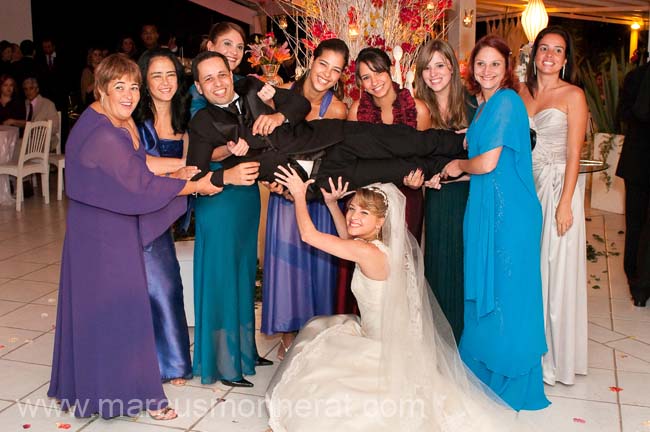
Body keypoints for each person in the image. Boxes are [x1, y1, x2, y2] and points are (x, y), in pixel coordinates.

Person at [266, 168, 536, 431]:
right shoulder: (382, 248)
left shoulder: (367, 252)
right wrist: (332, 203)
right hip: (393, 339)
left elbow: (309, 236)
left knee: (321, 357)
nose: (353, 216)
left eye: (364, 212)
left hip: (380, 347)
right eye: (352, 208)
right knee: (322, 335)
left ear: (381, 221)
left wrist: (299, 195)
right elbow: (348, 238)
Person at [47, 53, 221, 420]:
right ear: (101, 89)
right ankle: (144, 396)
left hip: (98, 227)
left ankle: (98, 387)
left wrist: (178, 168)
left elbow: (137, 164)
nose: (129, 94)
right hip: (105, 234)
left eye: (133, 86)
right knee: (125, 309)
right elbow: (139, 185)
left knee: (102, 312)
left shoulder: (106, 118)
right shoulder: (104, 134)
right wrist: (192, 185)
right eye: (119, 87)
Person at [441, 35, 549, 411]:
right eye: (481, 63)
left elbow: (485, 164)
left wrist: (458, 165)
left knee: (508, 293)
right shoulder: (484, 106)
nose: (487, 71)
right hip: (487, 207)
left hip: (511, 215)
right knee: (489, 290)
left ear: (507, 70)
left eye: (495, 64)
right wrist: (452, 174)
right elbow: (488, 168)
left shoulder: (505, 102)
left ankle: (510, 376)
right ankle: (485, 371)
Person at [187, 52, 465, 196]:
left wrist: (278, 116)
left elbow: (299, 104)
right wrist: (228, 174)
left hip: (332, 138)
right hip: (316, 180)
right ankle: (454, 168)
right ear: (199, 86)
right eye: (209, 79)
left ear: (230, 73)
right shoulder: (202, 123)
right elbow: (196, 177)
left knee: (402, 140)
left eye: (222, 74)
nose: (218, 83)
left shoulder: (252, 85)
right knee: (399, 169)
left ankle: (462, 142)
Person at [261, 38, 349, 360]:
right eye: (323, 64)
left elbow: (334, 158)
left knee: (318, 266)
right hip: (284, 194)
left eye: (336, 70)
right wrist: (273, 182)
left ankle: (316, 337)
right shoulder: (280, 93)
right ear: (312, 61)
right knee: (288, 265)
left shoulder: (338, 109)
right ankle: (287, 336)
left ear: (341, 76)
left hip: (316, 197)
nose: (326, 74)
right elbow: (263, 143)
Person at [518, 26, 589, 386]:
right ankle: (531, 348)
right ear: (534, 54)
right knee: (532, 271)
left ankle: (556, 360)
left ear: (565, 59)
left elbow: (576, 153)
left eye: (557, 50)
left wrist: (565, 204)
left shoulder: (573, 95)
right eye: (543, 48)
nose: (549, 55)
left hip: (560, 186)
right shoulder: (522, 92)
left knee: (556, 272)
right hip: (528, 189)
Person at [134, 48, 193, 385]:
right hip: (141, 212)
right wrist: (178, 173)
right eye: (156, 75)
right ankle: (158, 365)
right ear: (144, 80)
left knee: (167, 283)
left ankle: (170, 360)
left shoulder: (184, 119)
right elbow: (137, 169)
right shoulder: (137, 124)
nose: (165, 81)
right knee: (155, 284)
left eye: (170, 74)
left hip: (168, 211)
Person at [416, 39, 477, 343]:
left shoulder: (472, 105)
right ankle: (439, 341)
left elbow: (486, 161)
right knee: (437, 265)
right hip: (435, 198)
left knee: (462, 266)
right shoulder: (419, 107)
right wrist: (425, 176)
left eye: (440, 65)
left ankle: (461, 340)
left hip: (466, 197)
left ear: (452, 67)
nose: (434, 73)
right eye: (427, 68)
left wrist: (457, 173)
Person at [189, 22, 276, 117]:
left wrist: (269, 104)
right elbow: (201, 126)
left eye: (239, 47)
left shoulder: (243, 82)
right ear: (210, 46)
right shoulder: (199, 91)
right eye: (227, 43)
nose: (234, 52)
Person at [617, 57, 650, 307]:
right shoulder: (637, 77)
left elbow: (625, 114)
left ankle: (638, 283)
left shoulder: (635, 76)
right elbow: (628, 113)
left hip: (636, 160)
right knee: (638, 223)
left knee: (637, 223)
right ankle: (639, 283)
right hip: (638, 161)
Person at [21, 77, 60, 151]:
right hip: (26, 141)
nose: (28, 91)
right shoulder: (23, 105)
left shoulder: (48, 104)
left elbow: (55, 127)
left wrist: (38, 132)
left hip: (44, 141)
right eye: (25, 89)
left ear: (37, 89)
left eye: (31, 88)